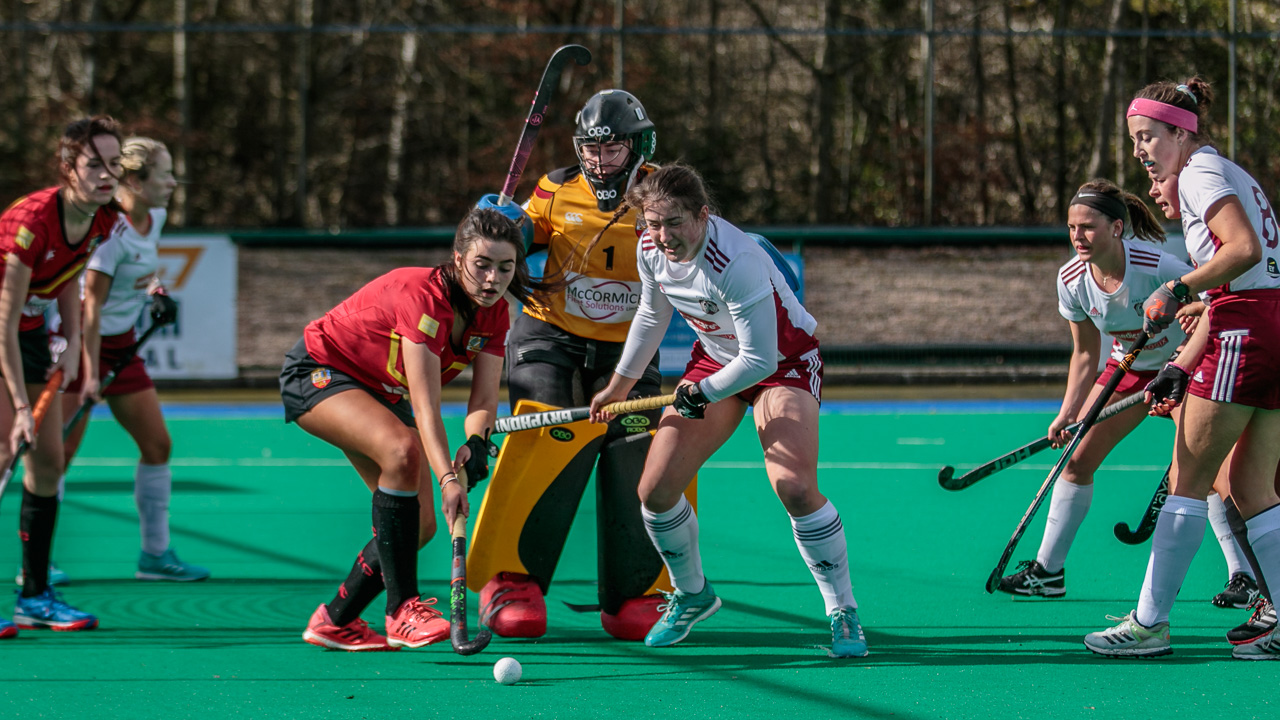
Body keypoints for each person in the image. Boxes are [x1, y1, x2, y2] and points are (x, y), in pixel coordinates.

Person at [587, 164, 867, 658]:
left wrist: (702, 393)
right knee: (654, 490)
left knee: (795, 488)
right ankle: (692, 592)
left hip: (784, 364)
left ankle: (842, 609)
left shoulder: (733, 260)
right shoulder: (649, 248)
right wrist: (618, 386)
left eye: (674, 222)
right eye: (653, 223)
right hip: (716, 359)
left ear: (702, 215)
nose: (663, 235)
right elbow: (653, 315)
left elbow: (759, 358)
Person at [468, 89, 680, 641]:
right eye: (591, 149)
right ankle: (511, 579)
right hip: (550, 335)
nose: (600, 161)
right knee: (547, 426)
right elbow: (520, 238)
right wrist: (501, 223)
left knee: (637, 449)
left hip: (629, 349)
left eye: (612, 151)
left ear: (639, 146)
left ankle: (636, 591)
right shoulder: (555, 187)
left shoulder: (666, 193)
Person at [283, 208, 544, 651]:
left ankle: (335, 620)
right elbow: (425, 406)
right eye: (482, 264)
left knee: (419, 526)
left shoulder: (496, 314)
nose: (493, 279)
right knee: (404, 450)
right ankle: (401, 610)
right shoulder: (421, 297)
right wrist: (447, 478)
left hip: (380, 392)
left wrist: (477, 443)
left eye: (505, 267)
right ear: (458, 257)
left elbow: (482, 401)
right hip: (321, 371)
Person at [1084, 77, 1280, 660]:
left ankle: (1148, 625)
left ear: (1180, 131)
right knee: (1250, 485)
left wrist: (1177, 284)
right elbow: (1245, 279)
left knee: (1188, 478)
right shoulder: (1225, 171)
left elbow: (1241, 250)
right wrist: (1184, 356)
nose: (1141, 150)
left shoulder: (1200, 173)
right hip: (1264, 322)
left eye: (1148, 137)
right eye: (1135, 140)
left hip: (1248, 327)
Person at [998, 179, 1255, 609]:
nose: (1078, 236)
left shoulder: (1159, 265)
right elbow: (1085, 353)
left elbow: (1215, 305)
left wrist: (1190, 331)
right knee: (1076, 459)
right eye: (1071, 228)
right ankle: (1048, 572)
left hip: (1187, 368)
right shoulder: (1071, 279)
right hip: (1131, 370)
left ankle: (1243, 575)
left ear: (1117, 228)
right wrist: (1068, 413)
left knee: (1207, 469)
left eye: (1088, 227)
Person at [46, 136, 208, 583]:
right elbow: (90, 308)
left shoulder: (152, 217)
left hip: (121, 344)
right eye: (165, 173)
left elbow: (145, 266)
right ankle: (37, 564)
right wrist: (87, 371)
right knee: (57, 455)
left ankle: (155, 556)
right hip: (80, 342)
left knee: (157, 445)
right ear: (134, 181)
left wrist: (156, 289)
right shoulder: (107, 233)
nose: (174, 182)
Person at [0, 116, 123, 638]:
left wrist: (72, 344)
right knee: (5, 454)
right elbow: (3, 323)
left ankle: (34, 595)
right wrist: (22, 409)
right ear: (67, 168)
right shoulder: (30, 222)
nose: (107, 174)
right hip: (4, 333)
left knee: (47, 462)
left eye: (114, 164)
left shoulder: (101, 219)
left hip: (27, 334)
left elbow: (69, 280)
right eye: (94, 164)